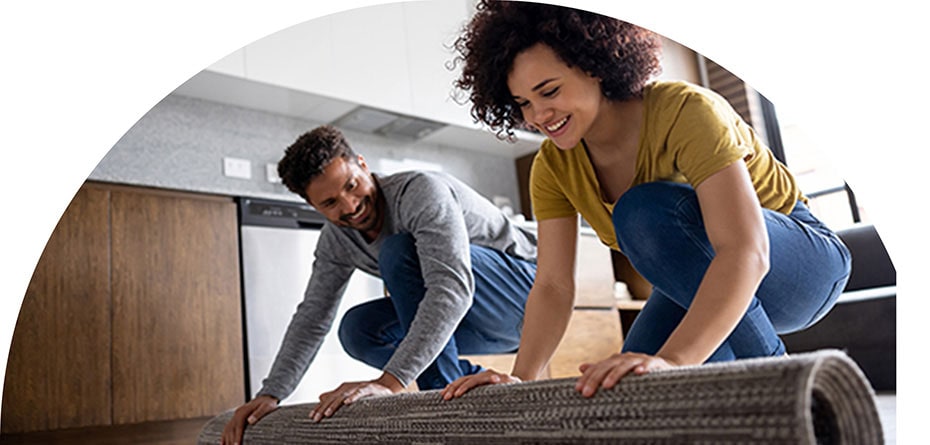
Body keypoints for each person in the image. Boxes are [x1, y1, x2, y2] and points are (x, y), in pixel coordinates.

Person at [441, 1, 851, 401]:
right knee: (626, 392)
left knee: (643, 211)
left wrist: (675, 359)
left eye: (548, 91)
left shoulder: (687, 110)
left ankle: (793, 396)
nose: (538, 116)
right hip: (698, 284)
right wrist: (522, 379)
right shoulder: (552, 167)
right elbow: (552, 284)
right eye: (524, 104)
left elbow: (746, 249)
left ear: (594, 65)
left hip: (799, 266)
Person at [221, 125, 537, 444]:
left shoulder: (419, 192)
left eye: (352, 185)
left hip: (524, 297)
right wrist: (272, 393)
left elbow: (450, 290)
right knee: (358, 330)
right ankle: (465, 390)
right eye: (330, 203)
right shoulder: (336, 241)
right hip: (471, 323)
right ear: (314, 207)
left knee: (399, 250)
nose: (349, 206)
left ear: (362, 164)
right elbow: (312, 317)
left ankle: (449, 416)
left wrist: (390, 382)